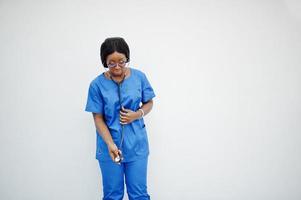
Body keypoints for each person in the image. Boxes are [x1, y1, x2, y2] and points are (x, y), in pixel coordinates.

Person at [85, 37, 156, 200]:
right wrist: (110, 144)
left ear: (127, 59)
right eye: (111, 63)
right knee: (112, 196)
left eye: (122, 62)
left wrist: (137, 114)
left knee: (139, 195)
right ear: (104, 61)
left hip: (136, 145)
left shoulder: (139, 77)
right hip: (109, 147)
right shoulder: (96, 85)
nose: (117, 67)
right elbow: (97, 118)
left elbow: (149, 102)